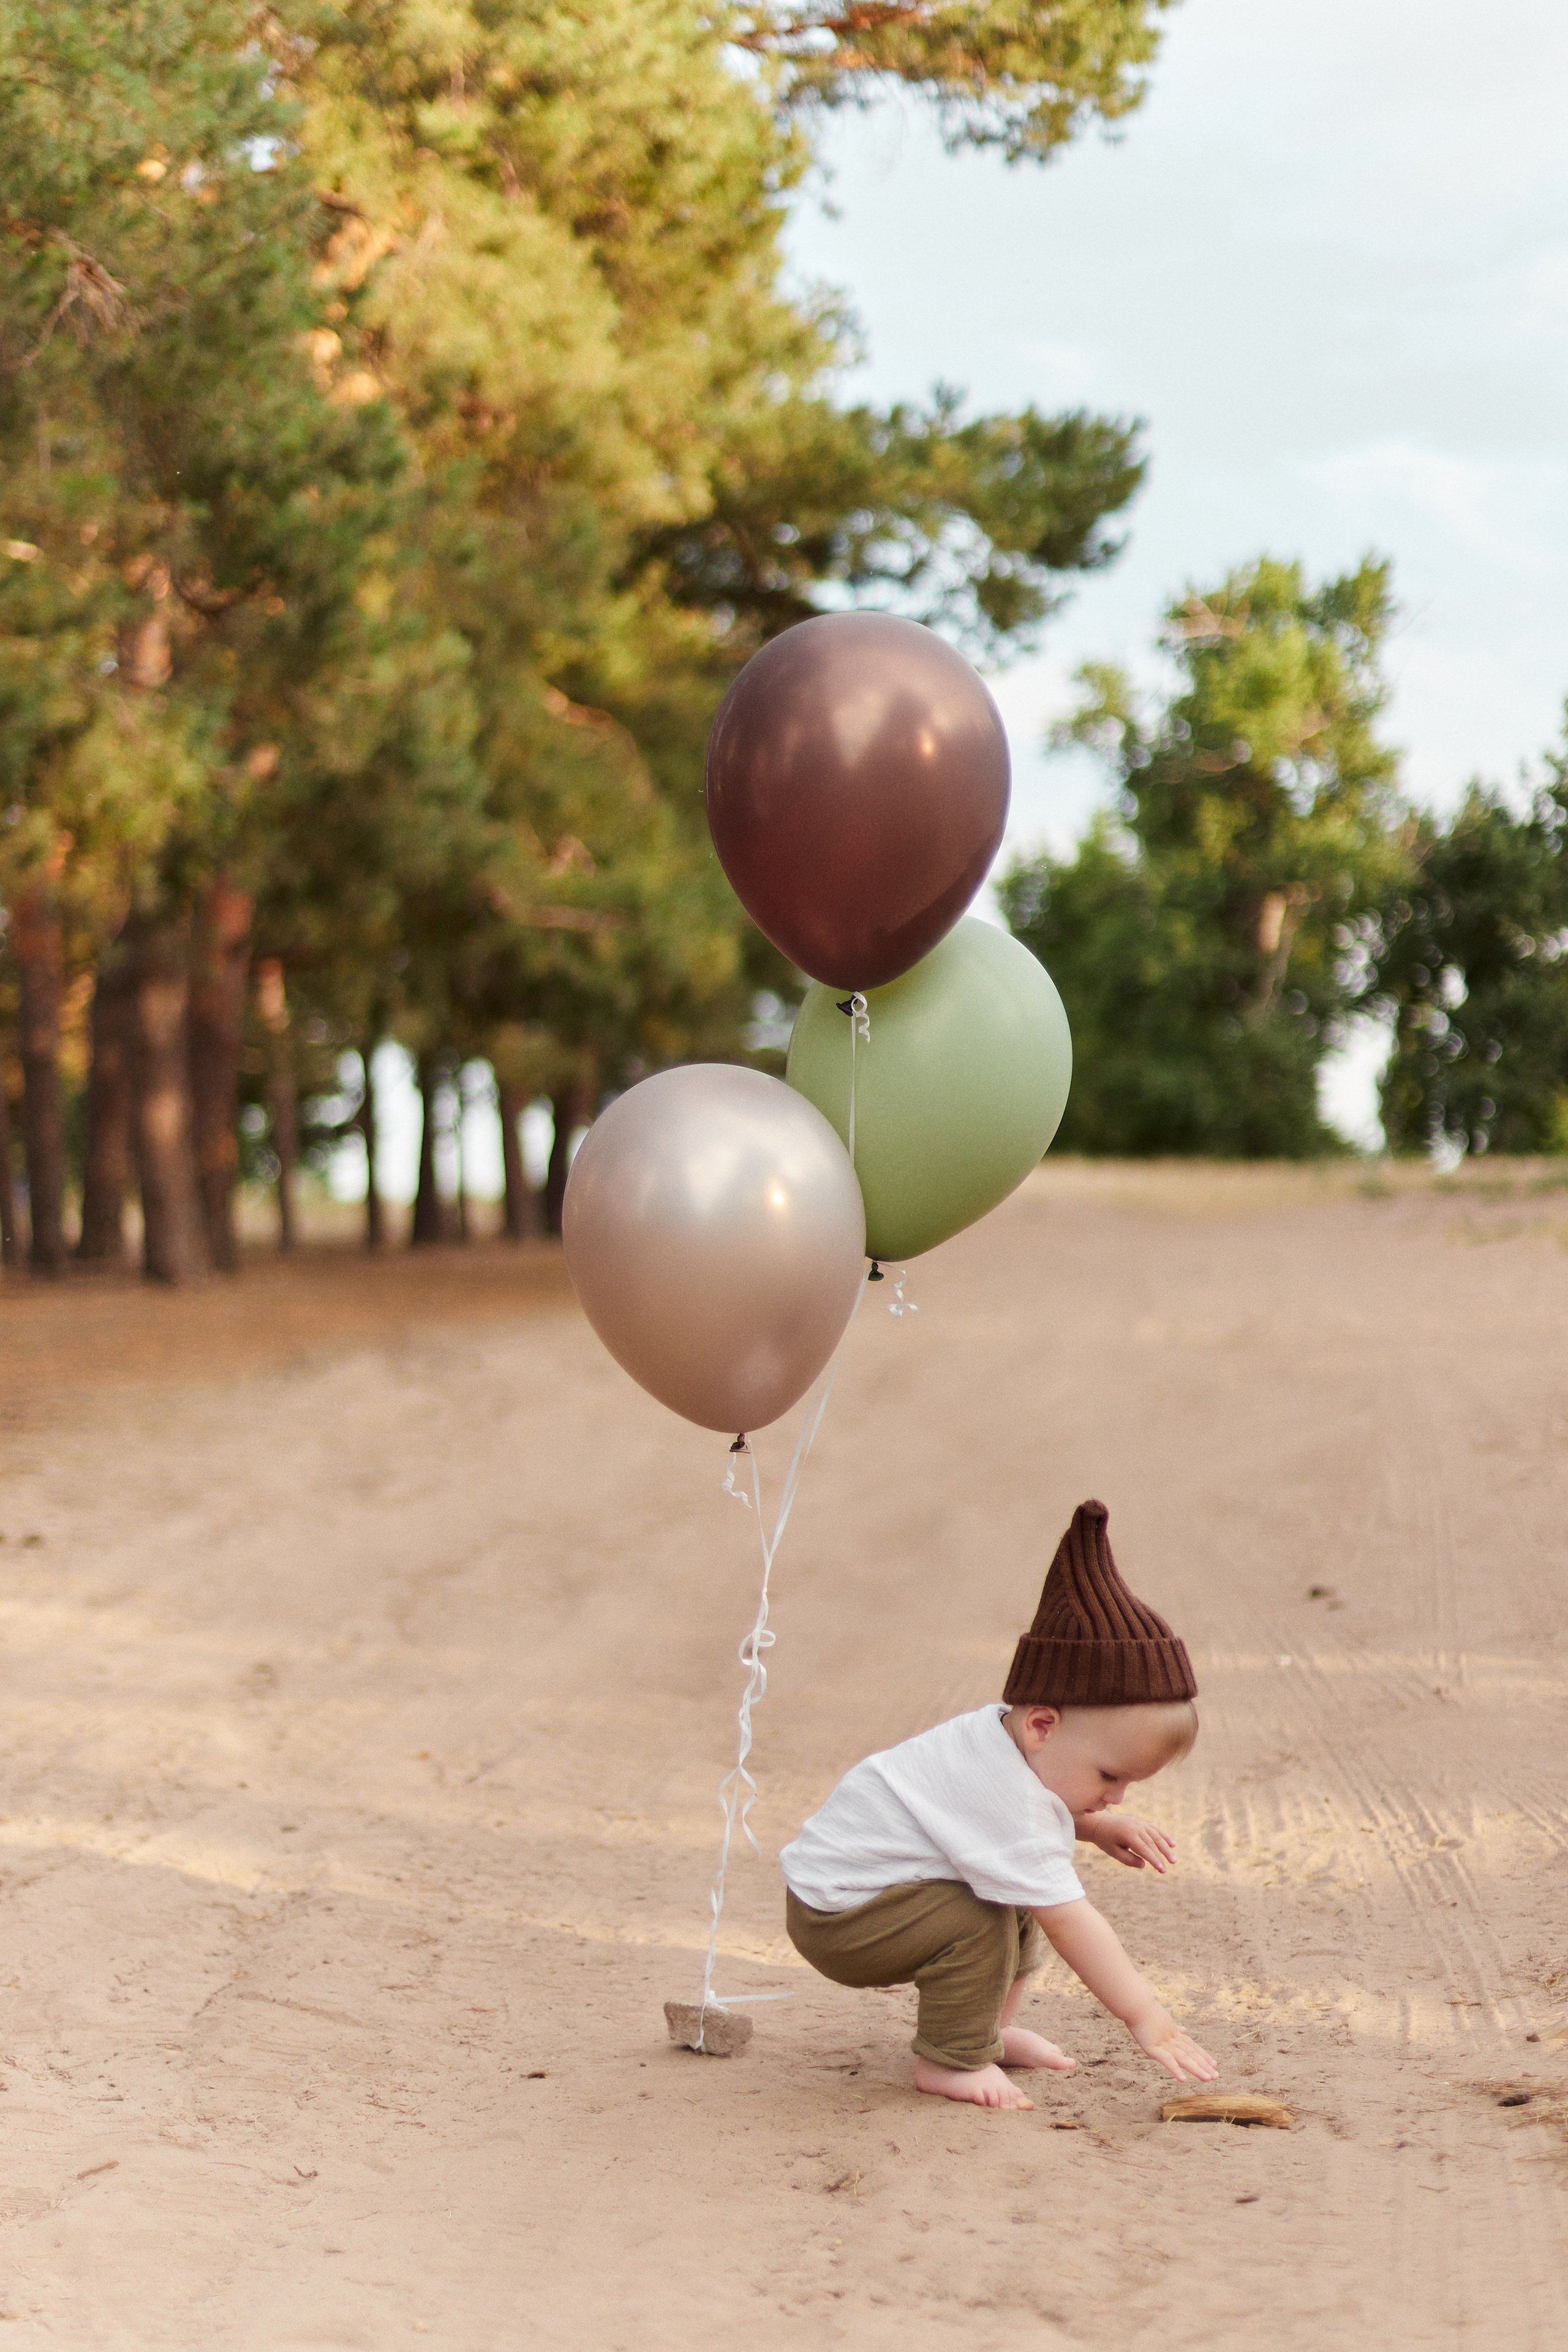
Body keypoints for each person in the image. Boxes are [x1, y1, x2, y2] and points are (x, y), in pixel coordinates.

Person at [780, 1499, 1219, 2110]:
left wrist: (1096, 1824)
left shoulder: (1000, 1740)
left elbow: (1029, 1805)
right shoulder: (1006, 1794)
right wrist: (1147, 2017)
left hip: (864, 1892)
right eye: (1109, 1775)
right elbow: (1072, 1920)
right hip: (840, 1918)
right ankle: (949, 2060)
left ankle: (980, 2031)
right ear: (1042, 1725)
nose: (1115, 1793)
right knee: (984, 1920)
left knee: (1010, 1901)